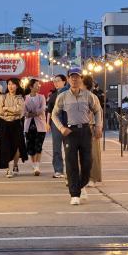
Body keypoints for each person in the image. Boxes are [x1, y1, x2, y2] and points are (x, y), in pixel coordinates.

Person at [51, 68, 103, 205]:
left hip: (85, 131)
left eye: (77, 77)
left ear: (81, 79)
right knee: (71, 162)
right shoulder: (62, 96)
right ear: (68, 80)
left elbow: (98, 111)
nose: (74, 79)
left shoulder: (89, 96)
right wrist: (61, 128)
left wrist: (98, 126)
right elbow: (54, 114)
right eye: (72, 77)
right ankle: (74, 194)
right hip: (70, 133)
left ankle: (81, 184)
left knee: (87, 162)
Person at [0, 78, 28, 178]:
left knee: (17, 146)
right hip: (4, 124)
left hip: (16, 124)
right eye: (9, 84)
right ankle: (8, 169)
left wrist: (6, 109)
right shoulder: (3, 97)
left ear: (17, 86)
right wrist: (11, 111)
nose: (11, 86)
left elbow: (19, 111)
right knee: (5, 147)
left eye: (13, 84)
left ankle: (15, 165)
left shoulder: (20, 98)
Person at [46, 74, 68, 179]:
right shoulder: (53, 95)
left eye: (58, 81)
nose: (56, 83)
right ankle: (58, 170)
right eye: (54, 81)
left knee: (69, 147)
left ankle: (70, 169)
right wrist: (47, 123)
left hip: (68, 122)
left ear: (64, 81)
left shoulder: (69, 92)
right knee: (56, 148)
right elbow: (49, 110)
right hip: (55, 123)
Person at [83, 74, 103, 186]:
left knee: (93, 154)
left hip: (91, 127)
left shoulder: (92, 97)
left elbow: (98, 113)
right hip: (77, 129)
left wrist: (98, 126)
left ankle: (92, 177)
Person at [24, 79, 47, 176]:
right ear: (31, 87)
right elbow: (24, 112)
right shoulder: (25, 98)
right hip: (28, 126)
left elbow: (42, 110)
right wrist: (32, 113)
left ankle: (37, 166)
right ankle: (33, 165)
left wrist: (31, 113)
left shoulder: (42, 97)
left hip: (40, 125)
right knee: (30, 147)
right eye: (37, 85)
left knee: (38, 146)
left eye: (39, 85)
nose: (39, 87)